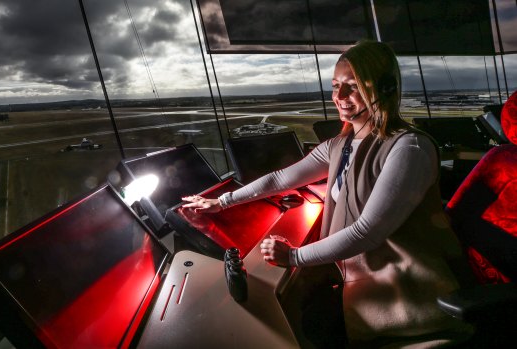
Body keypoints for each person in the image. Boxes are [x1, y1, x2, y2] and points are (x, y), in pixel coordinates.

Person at [182, 40, 473, 347]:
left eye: (353, 86)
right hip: (363, 286)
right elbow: (281, 179)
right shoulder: (342, 144)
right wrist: (222, 202)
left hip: (408, 302)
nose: (339, 96)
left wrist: (294, 256)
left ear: (386, 89)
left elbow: (367, 233)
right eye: (335, 86)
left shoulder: (409, 147)